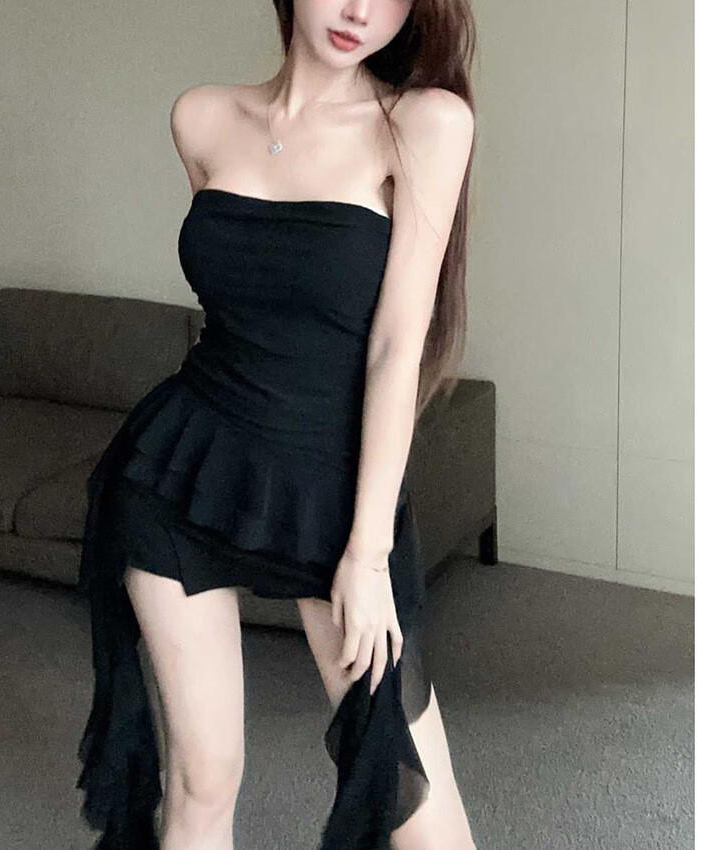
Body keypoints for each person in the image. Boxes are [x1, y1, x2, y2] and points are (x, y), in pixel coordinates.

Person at [76, 1, 478, 848]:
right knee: (201, 778)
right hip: (184, 468)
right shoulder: (201, 118)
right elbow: (245, 304)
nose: (360, 9)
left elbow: (395, 348)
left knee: (411, 797)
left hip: (331, 496)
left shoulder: (424, 125)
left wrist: (367, 552)